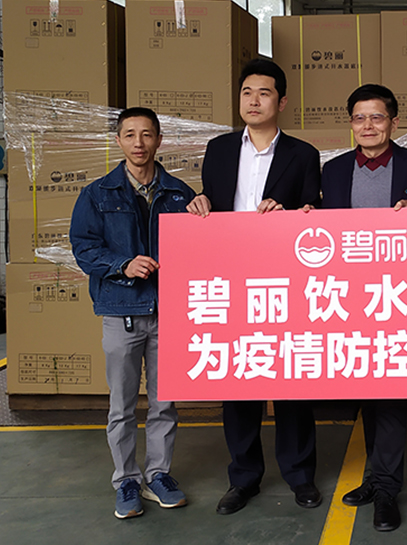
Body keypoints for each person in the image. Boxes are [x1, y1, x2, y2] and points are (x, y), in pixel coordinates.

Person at [186, 58, 323, 515]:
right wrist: (200, 203)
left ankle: (300, 475)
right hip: (230, 279)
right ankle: (243, 478)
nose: (253, 101)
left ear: (281, 102)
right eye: (247, 92)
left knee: (291, 380)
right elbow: (212, 204)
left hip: (286, 279)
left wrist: (290, 214)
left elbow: (315, 214)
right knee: (239, 380)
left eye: (264, 93)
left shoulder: (303, 154)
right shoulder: (219, 149)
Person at [318, 84, 407, 532]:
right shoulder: (333, 171)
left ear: (393, 121)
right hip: (350, 298)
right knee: (366, 391)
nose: (368, 126)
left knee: (390, 394)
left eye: (377, 117)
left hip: (399, 297)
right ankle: (375, 477)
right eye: (359, 117)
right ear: (350, 123)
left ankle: (387, 488)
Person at [70, 107, 194, 519]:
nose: (138, 143)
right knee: (122, 406)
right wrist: (123, 264)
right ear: (118, 140)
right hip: (121, 310)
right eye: (129, 134)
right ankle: (126, 480)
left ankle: (158, 475)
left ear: (159, 140)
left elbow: (200, 247)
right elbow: (84, 248)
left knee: (164, 403)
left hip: (168, 312)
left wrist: (203, 209)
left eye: (146, 134)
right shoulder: (97, 194)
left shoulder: (180, 194)